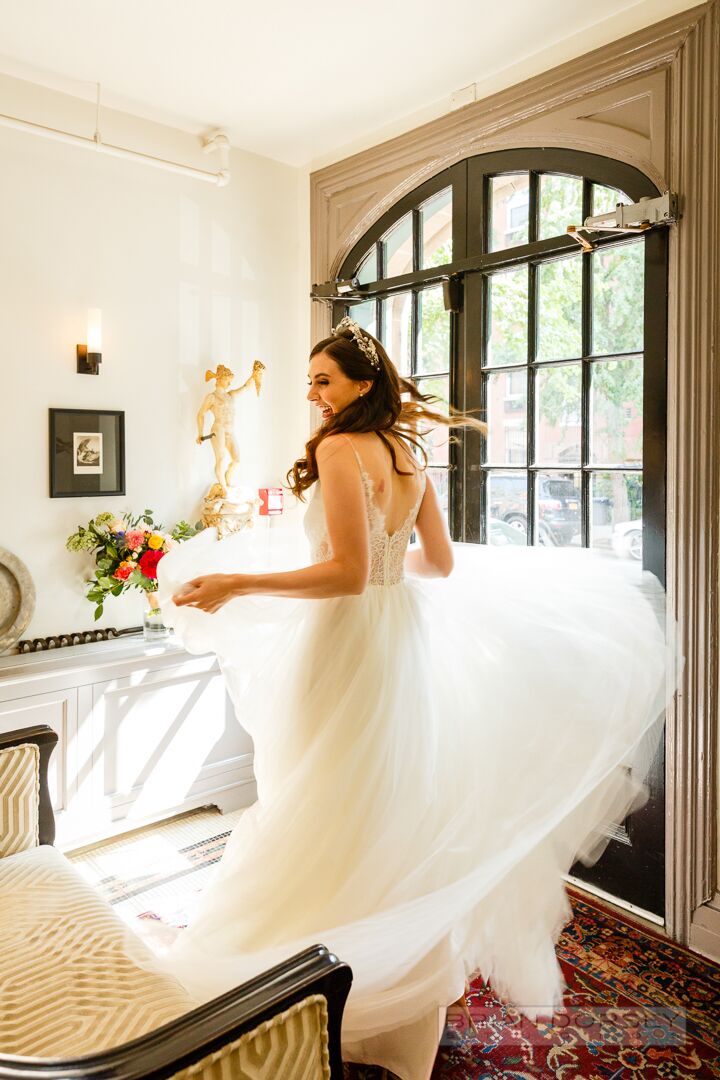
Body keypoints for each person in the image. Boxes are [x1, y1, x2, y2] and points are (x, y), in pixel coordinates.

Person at [145, 316, 680, 1080]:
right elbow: (439, 565)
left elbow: (346, 574)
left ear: (362, 384)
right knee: (384, 806)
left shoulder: (338, 449)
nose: (313, 394)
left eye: (323, 380)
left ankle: (312, 984)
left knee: (326, 800)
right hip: (398, 640)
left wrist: (239, 582)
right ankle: (395, 998)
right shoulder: (408, 452)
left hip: (348, 644)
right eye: (310, 381)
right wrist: (385, 585)